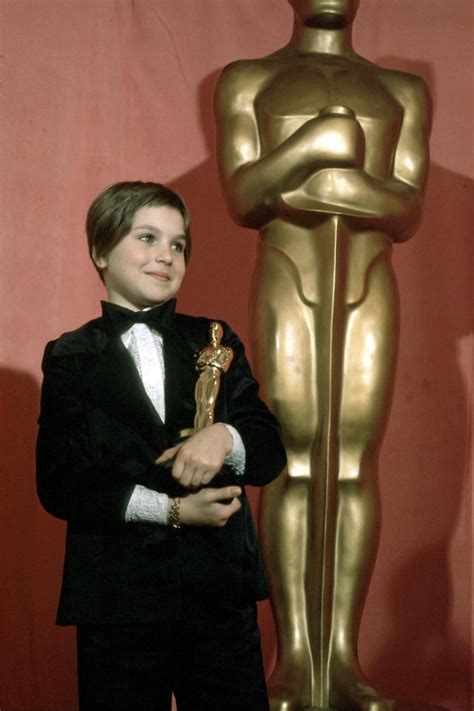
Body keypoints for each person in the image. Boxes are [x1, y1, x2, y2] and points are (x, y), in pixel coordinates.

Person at [214, 1, 431, 709]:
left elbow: (406, 210)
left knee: (354, 463)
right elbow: (244, 196)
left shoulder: (401, 90)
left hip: (367, 285)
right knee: (293, 458)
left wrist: (331, 183)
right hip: (289, 278)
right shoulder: (248, 79)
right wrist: (315, 146)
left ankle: (342, 655)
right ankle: (293, 655)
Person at [36, 181, 287, 711]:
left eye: (178, 245)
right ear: (101, 250)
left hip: (219, 595)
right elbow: (61, 485)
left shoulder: (216, 339)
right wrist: (173, 511)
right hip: (116, 599)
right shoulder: (70, 356)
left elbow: (268, 451)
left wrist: (225, 436)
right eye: (147, 238)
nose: (166, 256)